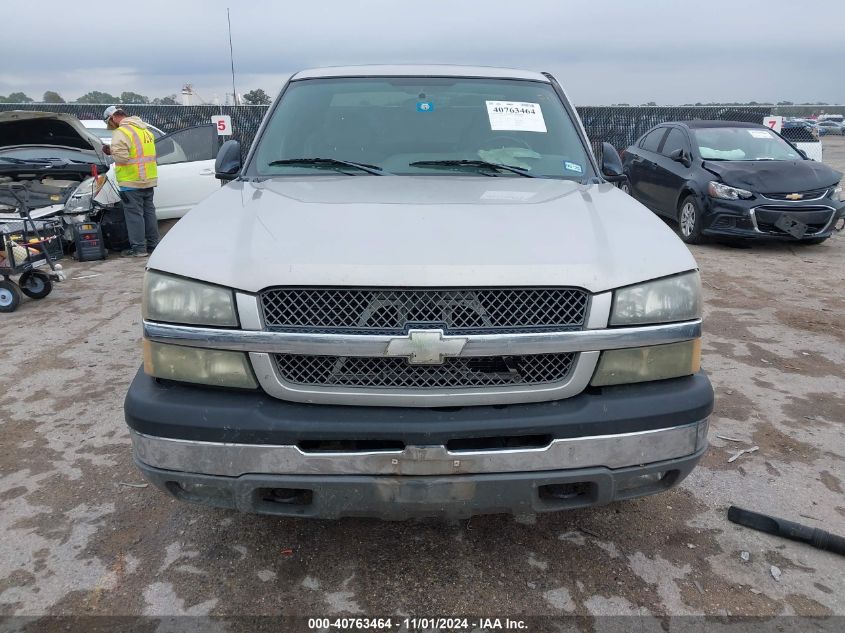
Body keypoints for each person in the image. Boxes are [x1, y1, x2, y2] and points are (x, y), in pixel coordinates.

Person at [101, 106, 159, 257]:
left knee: (134, 215)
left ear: (113, 117)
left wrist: (110, 151)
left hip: (131, 180)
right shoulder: (144, 130)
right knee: (149, 213)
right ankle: (153, 245)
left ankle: (139, 249)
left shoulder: (121, 132)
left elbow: (122, 158)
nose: (112, 126)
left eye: (110, 123)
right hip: (148, 178)